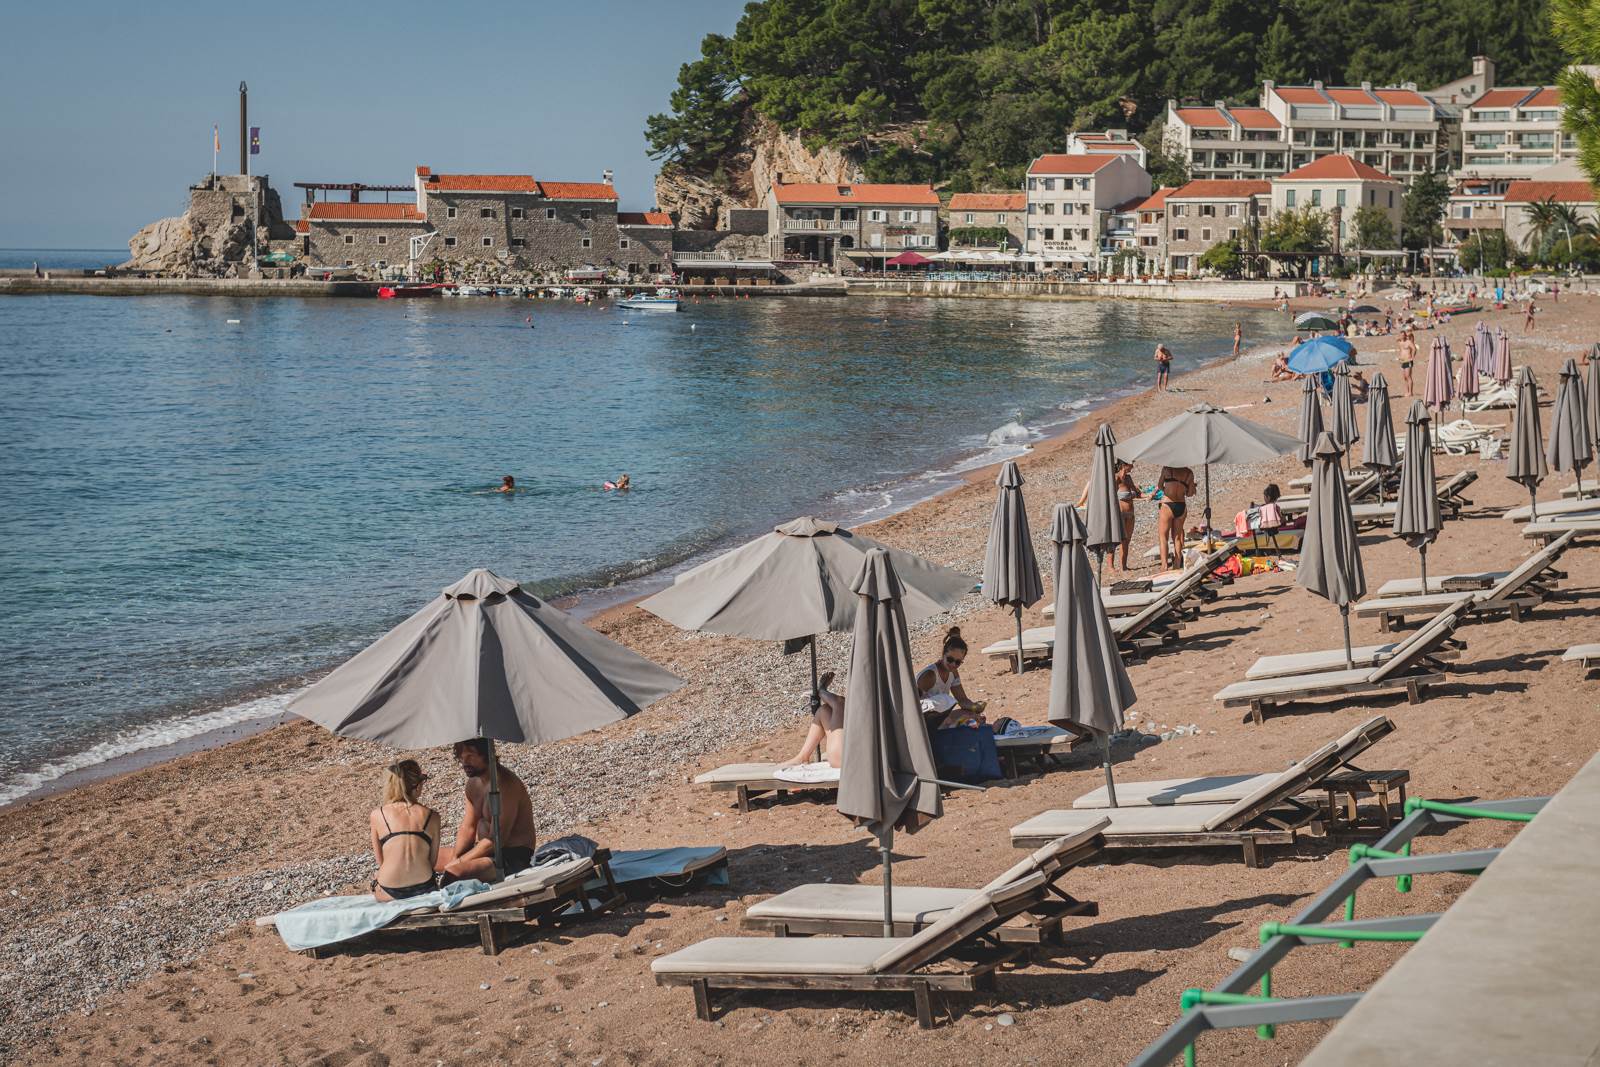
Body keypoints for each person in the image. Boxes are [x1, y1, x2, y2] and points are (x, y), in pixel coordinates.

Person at [436, 739, 536, 884]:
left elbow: (498, 839)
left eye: (470, 756)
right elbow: (468, 827)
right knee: (425, 859)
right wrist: (455, 858)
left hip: (510, 857)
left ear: (487, 754)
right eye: (461, 758)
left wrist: (460, 862)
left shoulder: (506, 785)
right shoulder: (473, 784)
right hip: (484, 850)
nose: (465, 762)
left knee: (454, 874)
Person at [369, 760, 440, 901]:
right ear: (418, 786)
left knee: (377, 877)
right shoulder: (432, 816)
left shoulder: (377, 815)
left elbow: (381, 861)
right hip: (424, 887)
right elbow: (432, 861)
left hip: (389, 890)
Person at [1075, 459, 1141, 570]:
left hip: (1130, 514)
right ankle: (1111, 567)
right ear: (1123, 465)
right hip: (1119, 514)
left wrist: (1148, 494)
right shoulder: (1116, 478)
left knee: (1126, 540)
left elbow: (1137, 493)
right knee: (1115, 539)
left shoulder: (1128, 479)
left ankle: (1123, 566)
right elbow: (1109, 496)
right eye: (1131, 464)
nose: (1133, 467)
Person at [916, 628, 986, 728]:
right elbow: (914, 704)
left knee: (974, 717)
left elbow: (962, 700)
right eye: (950, 659)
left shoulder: (953, 672)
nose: (953, 664)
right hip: (925, 721)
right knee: (963, 721)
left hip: (941, 716)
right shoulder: (930, 675)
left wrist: (975, 707)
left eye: (958, 662)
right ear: (943, 655)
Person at [779, 671, 844, 768]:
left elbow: (839, 702)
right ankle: (802, 757)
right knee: (824, 711)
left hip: (841, 759)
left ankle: (822, 690)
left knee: (839, 704)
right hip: (840, 756)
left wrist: (821, 690)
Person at [1156, 465, 1196, 570]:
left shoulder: (1167, 469)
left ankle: (1164, 565)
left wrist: (1168, 489)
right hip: (1181, 506)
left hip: (1168, 503)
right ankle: (1177, 564)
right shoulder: (1189, 473)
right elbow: (1190, 493)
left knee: (1163, 537)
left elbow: (1159, 486)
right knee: (1177, 538)